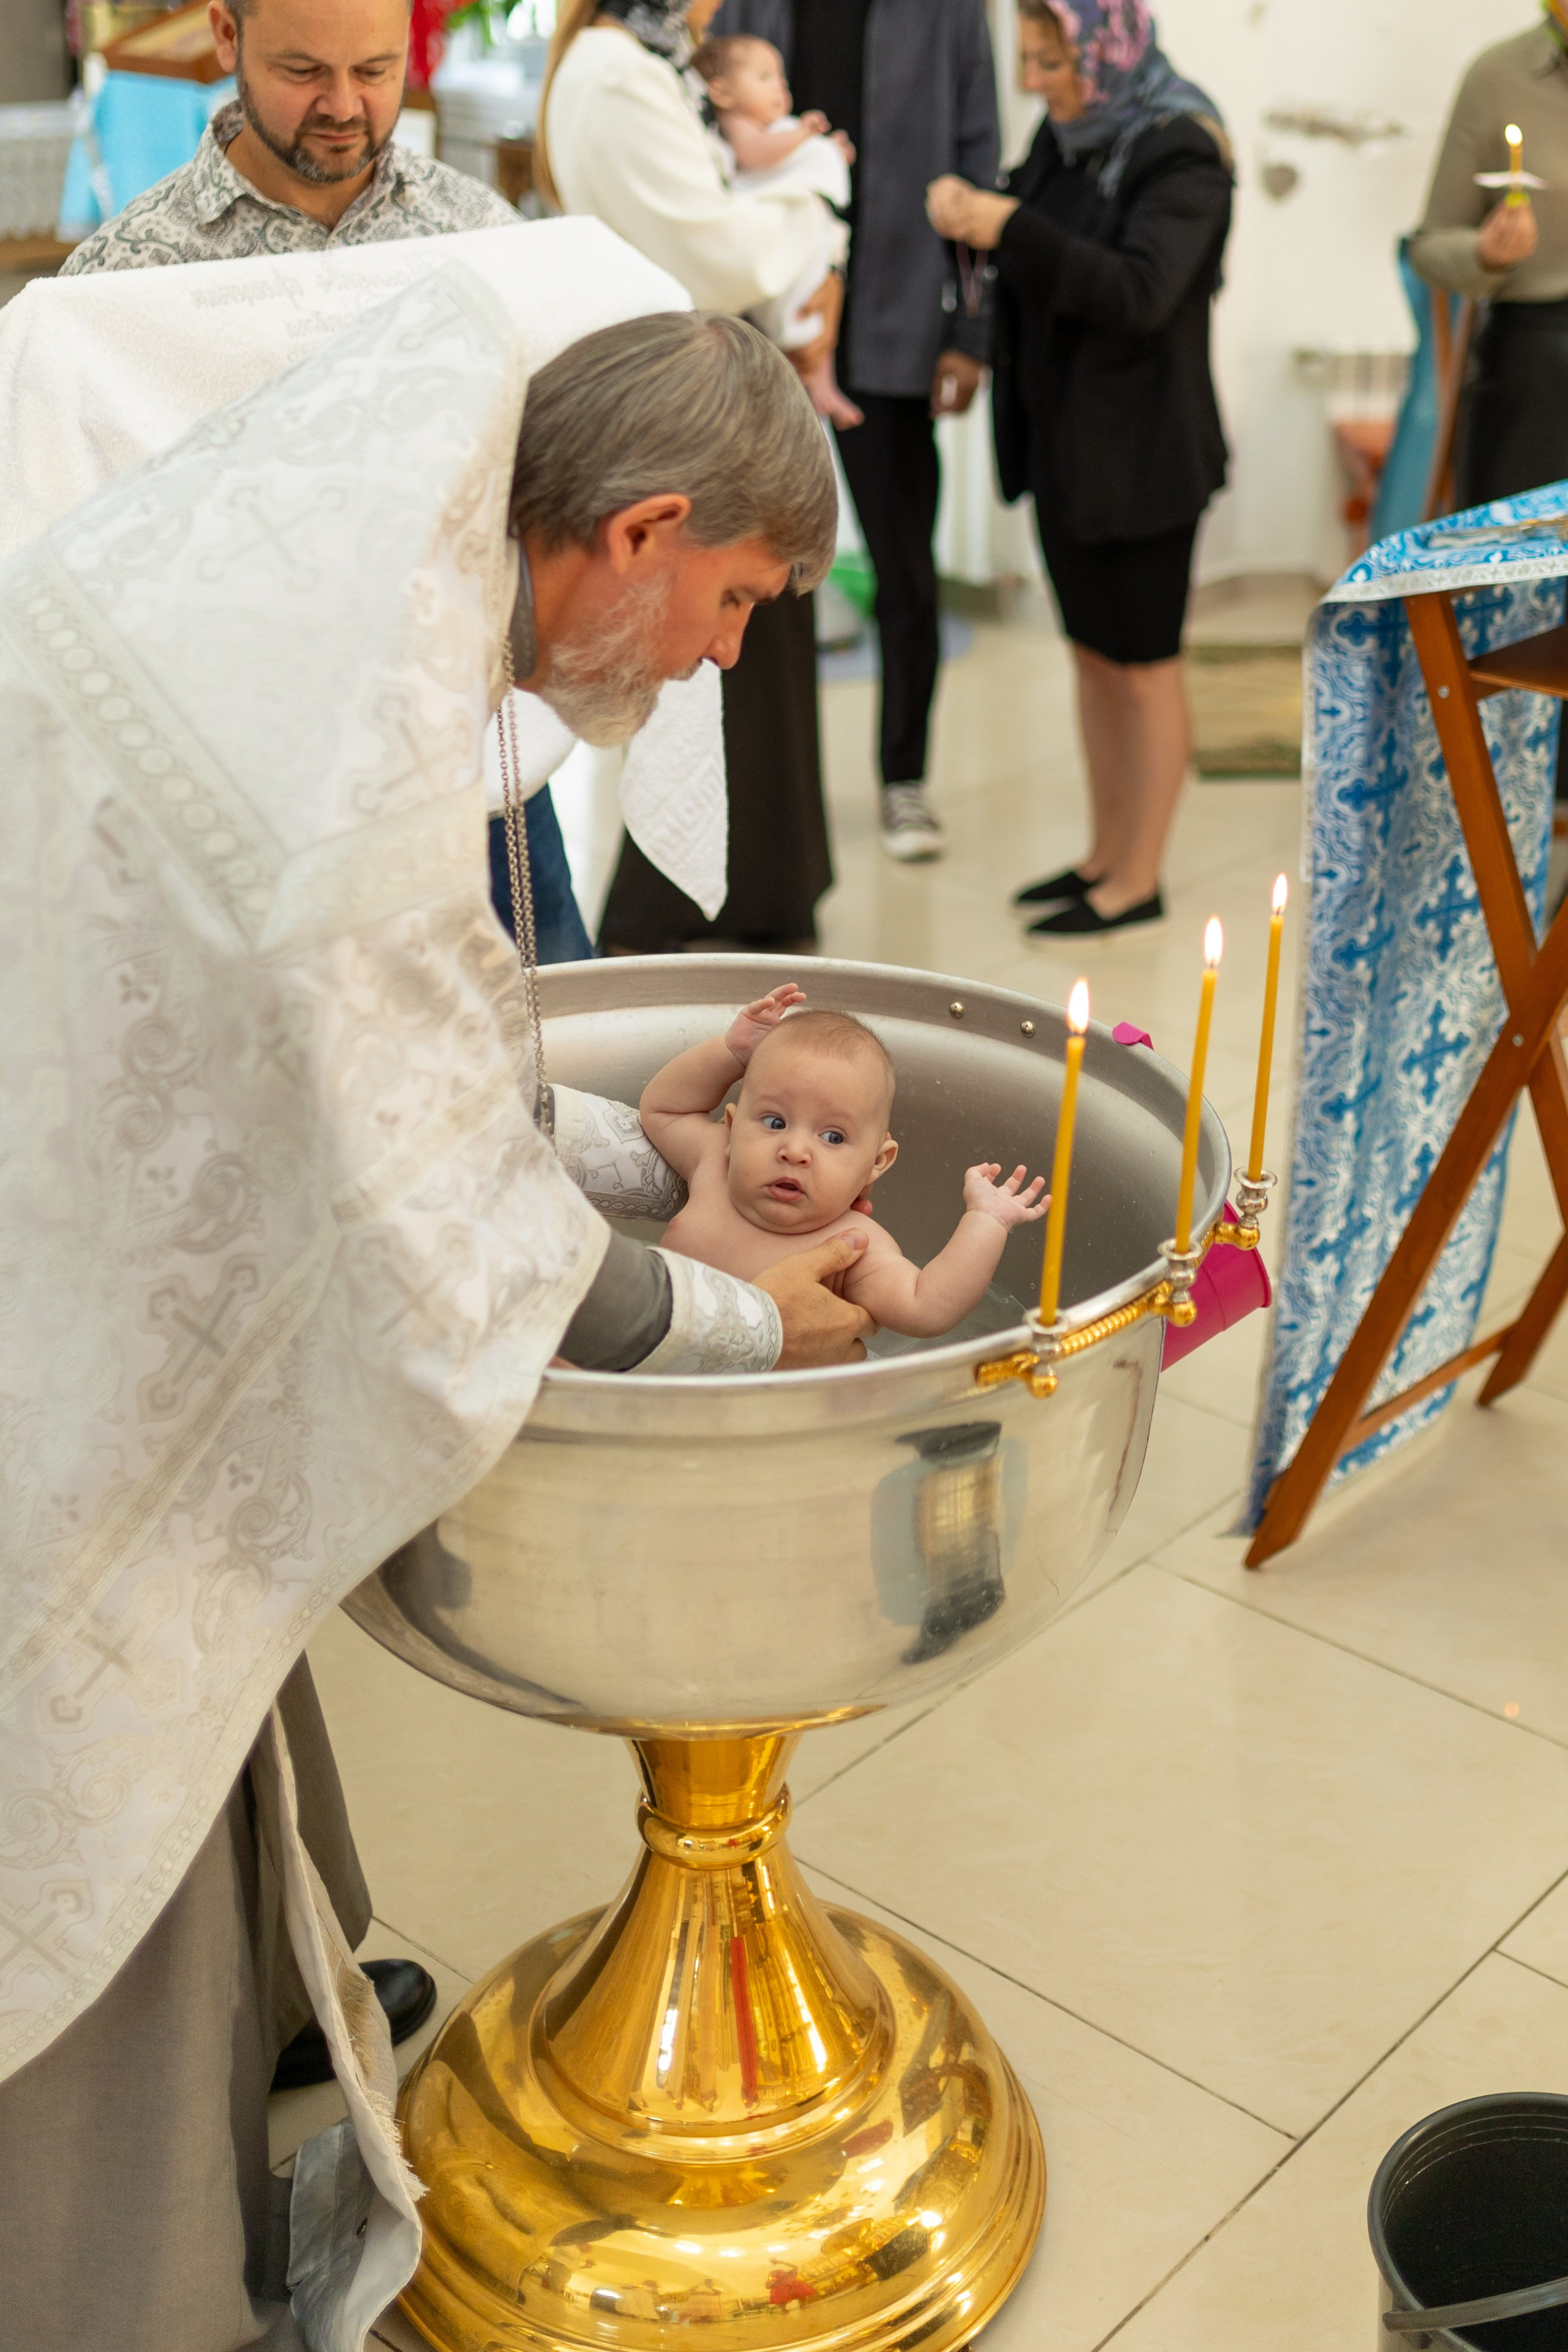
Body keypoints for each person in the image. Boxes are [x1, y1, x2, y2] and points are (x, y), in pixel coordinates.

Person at [0, 295, 870, 2352]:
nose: (726, 660)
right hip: (47, 1347)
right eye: (736, 604)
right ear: (641, 530)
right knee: (98, 1798)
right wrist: (750, 1327)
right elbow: (422, 1210)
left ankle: (253, 2124)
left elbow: (399, 1064)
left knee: (213, 1756)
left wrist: (656, 1169)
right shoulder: (366, 730)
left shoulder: (372, 571)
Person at [62, 0, 598, 968]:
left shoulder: (477, 234)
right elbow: (92, 561)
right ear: (227, 37)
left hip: (469, 764)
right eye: (304, 71)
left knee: (552, 1052)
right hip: (257, 795)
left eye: (377, 70)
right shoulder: (126, 280)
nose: (345, 106)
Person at [927, 0, 1231, 938]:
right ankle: (1103, 853)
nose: (1033, 82)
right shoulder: (1069, 134)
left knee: (1144, 668)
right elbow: (1027, 261)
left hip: (1143, 457)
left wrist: (1007, 226)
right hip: (1064, 447)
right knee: (1094, 661)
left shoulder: (1182, 148)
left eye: (1050, 61)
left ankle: (1138, 878)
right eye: (1028, 60)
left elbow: (1139, 292)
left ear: (1105, 49)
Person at [540, 0, 839, 954]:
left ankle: (760, 895)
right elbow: (722, 248)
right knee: (709, 659)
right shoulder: (615, 71)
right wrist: (816, 192)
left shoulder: (642, 61)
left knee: (754, 661)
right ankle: (672, 915)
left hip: (709, 391)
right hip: (690, 404)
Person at [712, 0, 1000, 862]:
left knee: (907, 572)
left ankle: (904, 780)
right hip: (763, 323)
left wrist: (970, 332)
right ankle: (754, 798)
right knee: (739, 574)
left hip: (895, 327)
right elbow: (708, 113)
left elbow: (979, 158)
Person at [643, 986, 1049, 1335]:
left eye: (833, 1137)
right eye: (775, 1121)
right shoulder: (715, 1162)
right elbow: (663, 1111)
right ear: (731, 1130)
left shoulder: (854, 1245)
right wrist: (732, 1052)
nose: (795, 1151)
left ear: (877, 1162)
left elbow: (926, 1308)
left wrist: (987, 1220)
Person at [1409, 10, 1568, 512]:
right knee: (1520, 576)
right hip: (1536, 367)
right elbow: (1430, 246)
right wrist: (1485, 254)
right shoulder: (1498, 76)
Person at [693, 32, 862, 428]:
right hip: (776, 243)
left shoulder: (775, 126)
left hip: (815, 242)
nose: (779, 87)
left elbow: (791, 156)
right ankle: (818, 386)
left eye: (780, 78)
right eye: (764, 77)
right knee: (800, 314)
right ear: (721, 92)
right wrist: (805, 138)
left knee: (820, 318)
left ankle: (824, 385)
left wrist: (826, 151)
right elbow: (757, 155)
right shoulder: (737, 127)